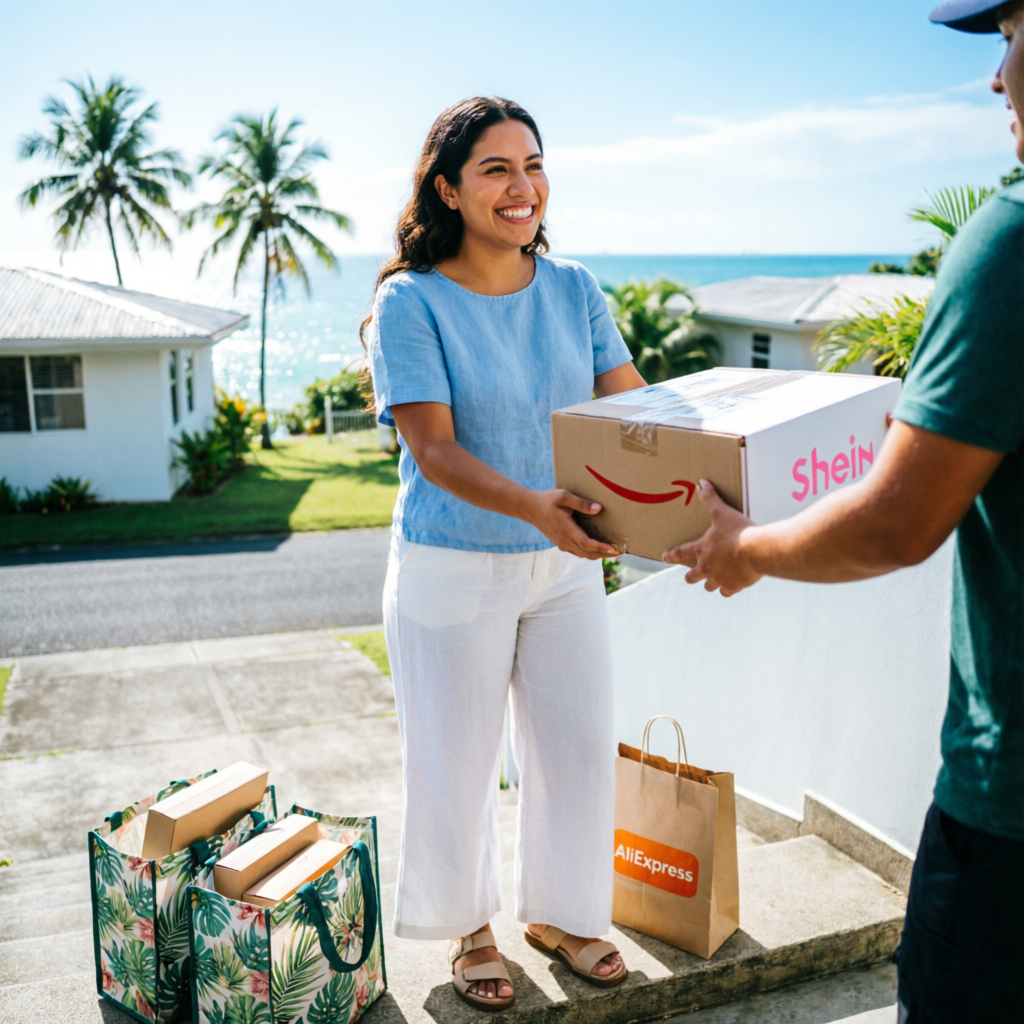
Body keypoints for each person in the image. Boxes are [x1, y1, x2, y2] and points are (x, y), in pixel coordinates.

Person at [663, 3, 1024, 1021]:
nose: (996, 78)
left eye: (1008, 34)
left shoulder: (1009, 244)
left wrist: (745, 546)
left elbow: (895, 520)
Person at [364, 96, 646, 1011]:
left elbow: (632, 410)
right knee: (453, 759)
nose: (522, 187)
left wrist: (691, 494)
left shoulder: (576, 289)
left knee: (573, 748)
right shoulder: (410, 301)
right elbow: (433, 450)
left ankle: (561, 914)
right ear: (447, 187)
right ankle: (469, 926)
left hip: (565, 565)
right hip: (453, 566)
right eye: (495, 169)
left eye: (532, 164)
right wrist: (539, 508)